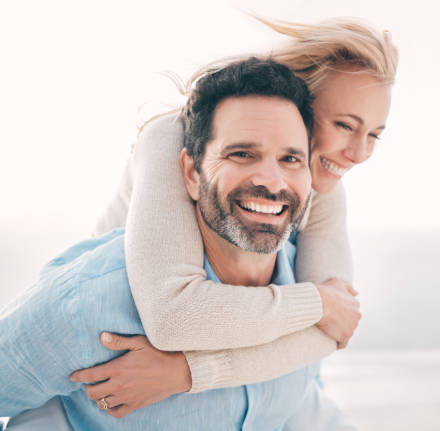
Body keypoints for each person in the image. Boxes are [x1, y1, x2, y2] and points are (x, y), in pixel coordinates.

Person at [73, 16, 398, 421]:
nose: (359, 153)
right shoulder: (170, 142)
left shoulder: (320, 181)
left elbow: (334, 328)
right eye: (345, 126)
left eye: (374, 135)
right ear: (297, 102)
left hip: (282, 393)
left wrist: (188, 372)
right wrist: (316, 302)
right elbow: (175, 317)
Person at [0, 57, 349, 430]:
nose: (271, 179)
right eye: (242, 154)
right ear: (191, 174)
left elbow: (303, 409)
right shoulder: (94, 300)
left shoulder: (308, 294)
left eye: (290, 158)